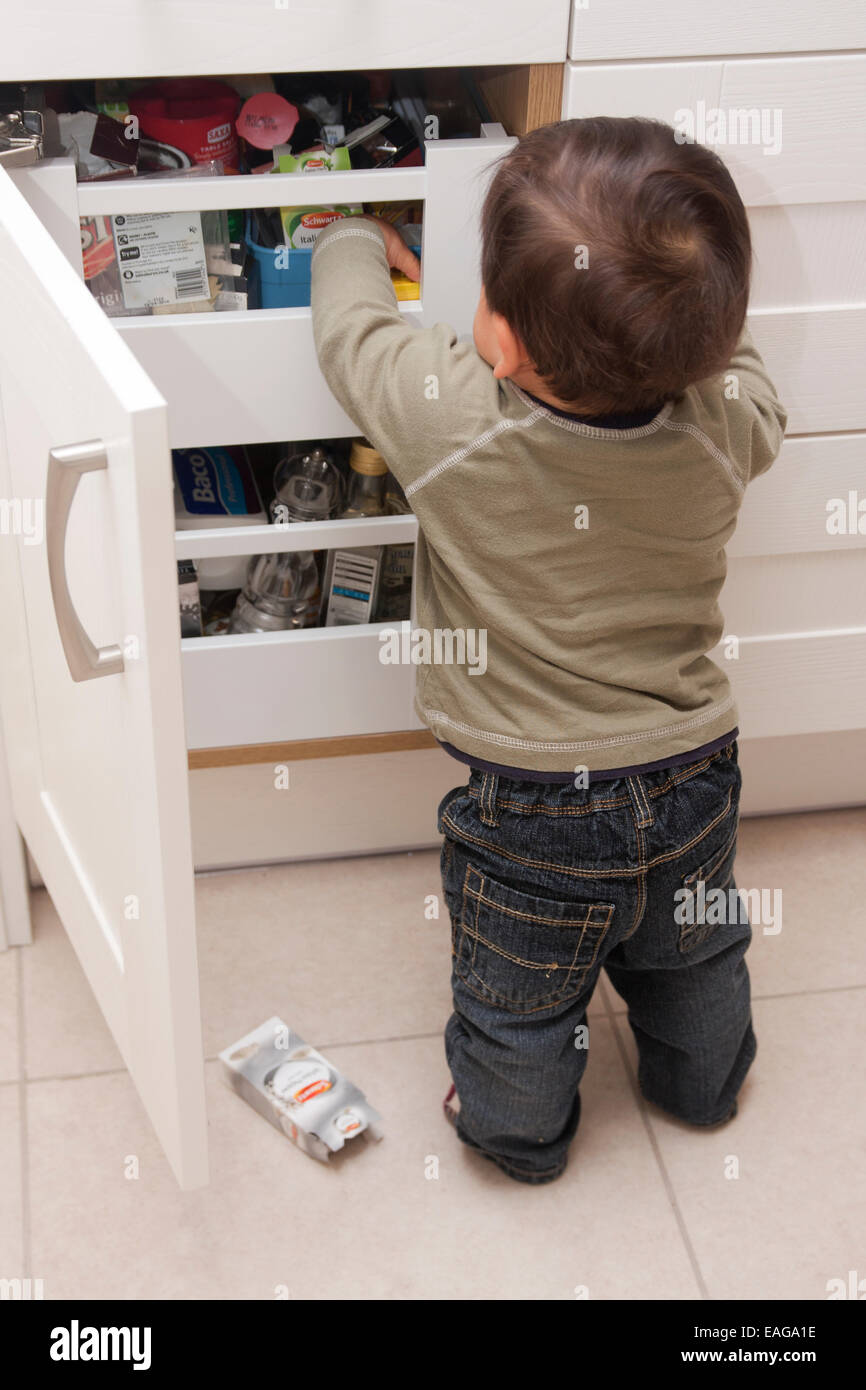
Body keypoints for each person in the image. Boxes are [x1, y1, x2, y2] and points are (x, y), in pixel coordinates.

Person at [310, 116, 787, 1184]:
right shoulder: (723, 421)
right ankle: (700, 1086)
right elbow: (742, 373)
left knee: (516, 999)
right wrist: (704, 326)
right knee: (694, 952)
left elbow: (349, 335)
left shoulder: (447, 418)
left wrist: (351, 230)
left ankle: (513, 1134)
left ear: (504, 343)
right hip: (692, 774)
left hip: (529, 810)